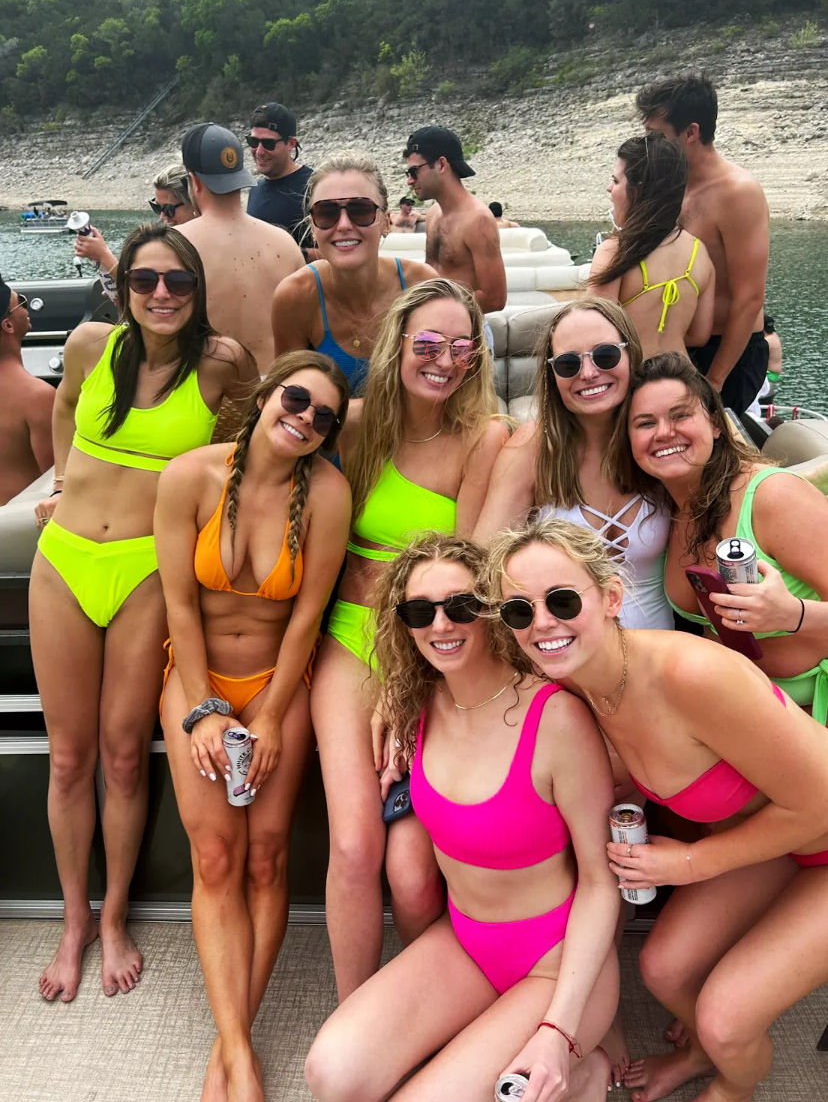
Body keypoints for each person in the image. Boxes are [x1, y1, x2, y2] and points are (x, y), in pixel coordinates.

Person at [491, 515, 828, 1102]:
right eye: (520, 611)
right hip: (776, 841)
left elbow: (821, 803)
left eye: (563, 600)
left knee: (726, 1020)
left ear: (613, 597)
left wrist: (690, 866)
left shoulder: (690, 674)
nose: (542, 623)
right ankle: (699, 1053)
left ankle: (732, 1087)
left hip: (819, 829)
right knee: (665, 970)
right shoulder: (575, 685)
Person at [305, 532, 618, 1102]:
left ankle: (584, 1068)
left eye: (463, 606)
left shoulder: (556, 720)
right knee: (332, 1073)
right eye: (421, 610)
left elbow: (602, 883)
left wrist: (557, 1028)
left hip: (557, 963)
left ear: (493, 612)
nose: (442, 625)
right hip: (467, 943)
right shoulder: (419, 704)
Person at [30, 223, 257, 1005]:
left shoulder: (224, 364)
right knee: (68, 757)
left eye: (179, 282)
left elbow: (247, 457)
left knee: (123, 754)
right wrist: (60, 482)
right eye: (146, 279)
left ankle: (118, 914)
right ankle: (73, 918)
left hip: (147, 571)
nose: (162, 294)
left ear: (198, 292)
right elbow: (63, 409)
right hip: (63, 559)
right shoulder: (92, 344)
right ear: (122, 285)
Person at [155, 352, 351, 1102]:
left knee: (267, 859)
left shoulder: (327, 493)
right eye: (295, 399)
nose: (303, 418)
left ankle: (230, 1044)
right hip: (198, 679)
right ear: (267, 395)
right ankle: (238, 1051)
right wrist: (203, 709)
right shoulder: (189, 478)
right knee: (214, 858)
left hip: (279, 683)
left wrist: (269, 716)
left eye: (322, 415)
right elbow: (179, 605)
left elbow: (306, 619)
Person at [310, 277, 508, 1000]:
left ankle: (435, 1004)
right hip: (348, 636)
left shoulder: (485, 437)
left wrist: (405, 686)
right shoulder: (357, 425)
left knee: (412, 865)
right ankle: (352, 1010)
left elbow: (465, 580)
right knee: (356, 843)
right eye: (427, 343)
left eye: (461, 346)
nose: (445, 359)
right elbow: (265, 461)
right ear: (398, 346)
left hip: (433, 646)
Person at [626, 350, 828, 723]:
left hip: (812, 712)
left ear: (716, 424)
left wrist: (791, 613)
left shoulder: (773, 498)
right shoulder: (665, 516)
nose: (664, 432)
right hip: (743, 709)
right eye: (644, 423)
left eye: (681, 415)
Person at [474, 297, 672, 632]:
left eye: (605, 355)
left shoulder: (662, 435)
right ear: (552, 375)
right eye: (568, 364)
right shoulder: (533, 448)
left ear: (630, 355)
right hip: (565, 659)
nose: (589, 373)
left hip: (664, 660)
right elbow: (485, 564)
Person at [636, 74, 769, 414]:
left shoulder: (738, 193)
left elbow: (750, 297)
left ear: (691, 133)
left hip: (727, 352)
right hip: (679, 346)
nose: (649, 146)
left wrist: (716, 379)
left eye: (656, 136)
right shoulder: (668, 186)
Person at [271, 152, 435, 393]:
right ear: (313, 228)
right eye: (326, 213)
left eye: (360, 210)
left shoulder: (421, 286)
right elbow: (291, 401)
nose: (345, 225)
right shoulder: (296, 297)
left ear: (386, 222)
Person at [180, 121, 305, 375]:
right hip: (276, 395)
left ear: (194, 182)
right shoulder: (284, 243)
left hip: (208, 394)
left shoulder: (174, 245)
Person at [588, 134, 715, 358]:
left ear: (637, 190)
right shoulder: (699, 252)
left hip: (635, 382)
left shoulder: (615, 251)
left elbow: (592, 334)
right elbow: (699, 335)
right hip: (683, 382)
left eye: (616, 181)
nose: (610, 188)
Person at [404, 126, 507, 314]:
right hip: (434, 326)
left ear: (442, 165)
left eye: (414, 171)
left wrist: (439, 310)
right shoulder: (434, 214)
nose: (409, 181)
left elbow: (495, 299)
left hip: (467, 334)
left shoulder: (478, 220)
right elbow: (431, 275)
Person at [72, 164, 198, 280]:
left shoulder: (200, 246)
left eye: (168, 209)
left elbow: (142, 290)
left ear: (194, 203)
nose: (162, 216)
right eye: (157, 208)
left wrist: (103, 255)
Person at [0, 275, 54, 503]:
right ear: (8, 325)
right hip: (16, 530)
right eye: (20, 301)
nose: (26, 306)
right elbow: (57, 481)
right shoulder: (37, 397)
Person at [246, 101, 313, 249]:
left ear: (291, 143)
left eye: (268, 144)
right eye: (253, 141)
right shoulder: (255, 189)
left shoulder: (314, 186)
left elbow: (337, 254)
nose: (259, 151)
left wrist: (292, 253)